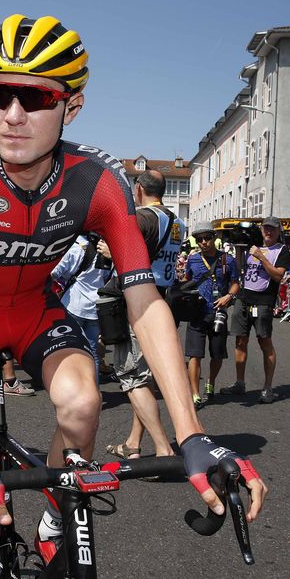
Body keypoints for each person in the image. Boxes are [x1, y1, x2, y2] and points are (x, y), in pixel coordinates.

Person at [0, 15, 267, 579]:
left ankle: (54, 522)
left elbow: (146, 304)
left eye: (33, 97)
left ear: (71, 106)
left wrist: (192, 434)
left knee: (84, 404)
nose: (12, 115)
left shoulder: (97, 180)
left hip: (35, 313)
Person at [102, 169, 185, 460]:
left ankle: (163, 449)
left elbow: (130, 258)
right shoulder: (177, 222)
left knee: (131, 376)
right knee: (146, 376)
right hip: (163, 299)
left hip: (137, 301)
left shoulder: (144, 218)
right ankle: (133, 444)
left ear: (138, 189)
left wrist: (109, 250)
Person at [222, 216, 290, 403]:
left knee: (264, 342)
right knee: (240, 342)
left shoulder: (282, 250)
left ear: (278, 231)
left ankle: (267, 388)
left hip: (263, 301)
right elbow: (238, 269)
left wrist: (261, 256)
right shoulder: (249, 246)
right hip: (243, 299)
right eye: (266, 228)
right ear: (261, 230)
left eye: (273, 229)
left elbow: (278, 276)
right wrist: (238, 250)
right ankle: (239, 383)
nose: (268, 232)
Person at [184, 221, 239, 408]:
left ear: (214, 238)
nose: (203, 242)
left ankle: (211, 382)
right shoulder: (192, 260)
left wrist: (228, 297)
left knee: (217, 354)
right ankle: (195, 394)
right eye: (199, 239)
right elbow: (187, 281)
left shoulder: (228, 260)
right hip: (197, 313)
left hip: (218, 313)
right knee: (194, 355)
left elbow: (235, 283)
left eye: (207, 238)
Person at [51, 234, 113, 382]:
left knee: (69, 351)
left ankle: (73, 390)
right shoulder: (108, 248)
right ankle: (94, 390)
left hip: (74, 305)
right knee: (93, 353)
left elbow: (55, 272)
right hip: (97, 307)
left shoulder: (77, 246)